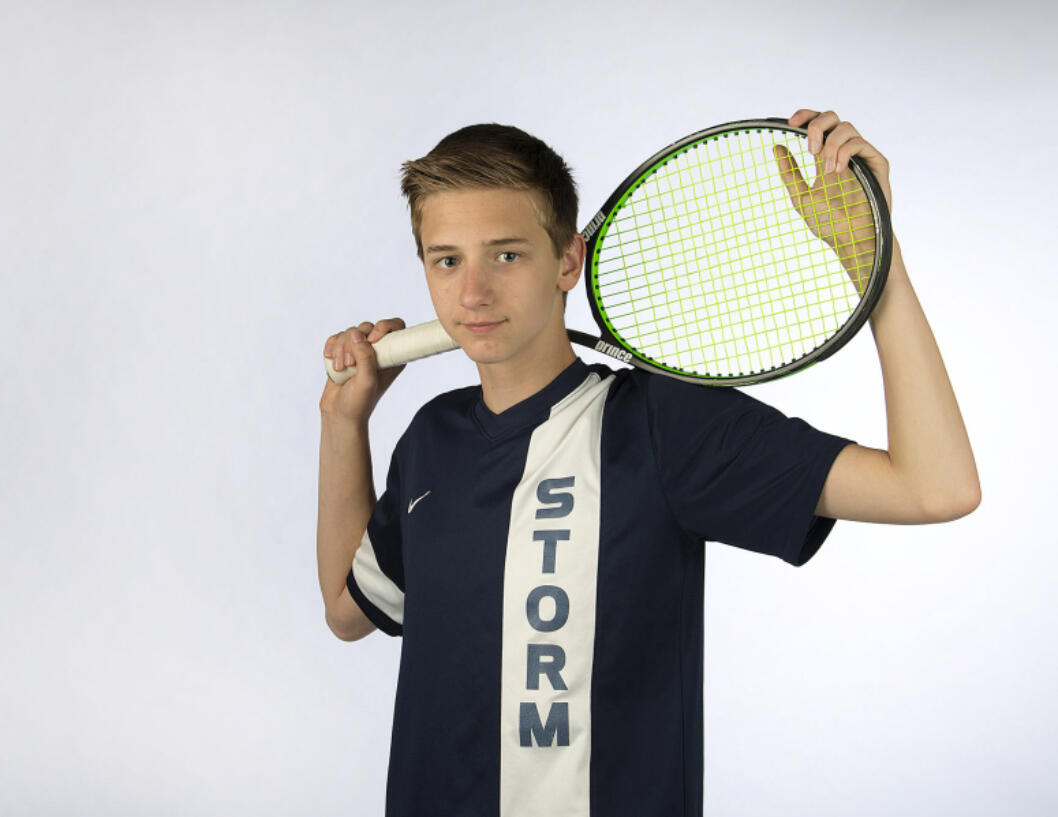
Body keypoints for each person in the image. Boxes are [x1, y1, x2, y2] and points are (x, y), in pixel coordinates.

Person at [315, 109, 979, 817]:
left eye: (506, 254)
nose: (472, 293)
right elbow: (348, 611)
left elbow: (936, 487)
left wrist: (877, 264)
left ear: (568, 259)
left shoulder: (666, 424)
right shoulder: (430, 438)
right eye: (447, 259)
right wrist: (342, 421)